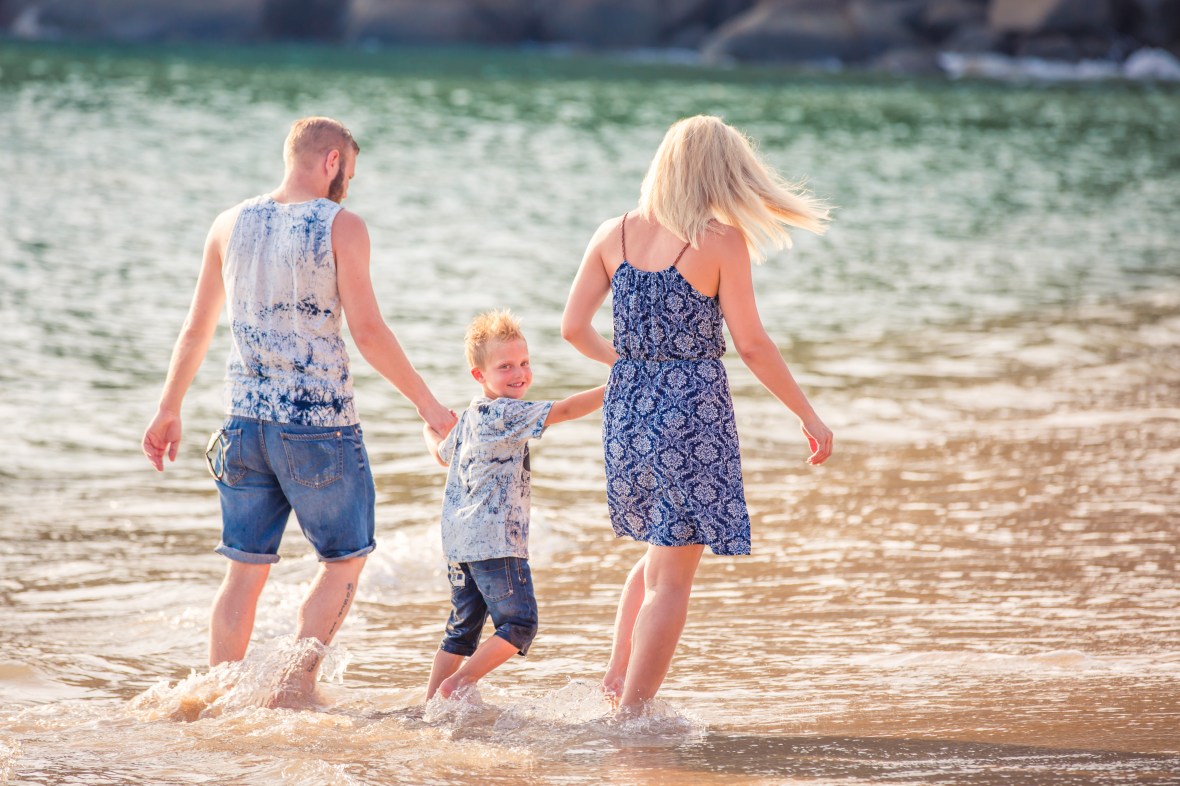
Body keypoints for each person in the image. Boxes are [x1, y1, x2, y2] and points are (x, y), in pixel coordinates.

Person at [141, 116, 456, 704]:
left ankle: (215, 695)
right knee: (344, 561)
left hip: (242, 424)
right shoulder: (343, 225)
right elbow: (367, 330)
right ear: (332, 161)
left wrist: (168, 408)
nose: (347, 188)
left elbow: (195, 329)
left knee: (243, 571)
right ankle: (293, 689)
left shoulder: (227, 223)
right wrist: (431, 407)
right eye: (349, 175)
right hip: (320, 425)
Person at [560, 115, 834, 715]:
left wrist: (633, 365)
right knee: (672, 578)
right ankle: (633, 718)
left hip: (628, 411)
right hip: (692, 415)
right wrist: (807, 415)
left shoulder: (615, 234)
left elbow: (572, 328)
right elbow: (753, 344)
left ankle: (615, 681)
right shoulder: (720, 241)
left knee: (661, 551)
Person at [422, 309, 606, 701]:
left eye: (524, 363)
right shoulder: (507, 413)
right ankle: (458, 685)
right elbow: (567, 409)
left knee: (461, 629)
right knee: (520, 623)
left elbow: (441, 454)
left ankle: (431, 700)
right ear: (480, 375)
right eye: (505, 366)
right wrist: (618, 386)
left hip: (459, 543)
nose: (519, 373)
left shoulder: (472, 416)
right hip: (496, 543)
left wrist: (428, 428)